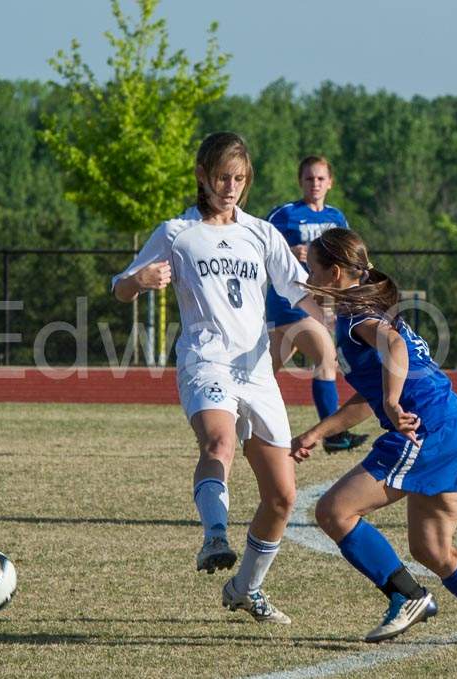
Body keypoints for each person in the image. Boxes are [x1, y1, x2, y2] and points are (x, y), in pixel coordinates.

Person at [112, 132, 327, 625]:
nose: (230, 188)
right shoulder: (176, 232)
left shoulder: (261, 233)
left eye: (239, 179)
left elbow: (301, 290)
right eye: (222, 178)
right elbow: (120, 287)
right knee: (218, 442)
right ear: (202, 178)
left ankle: (246, 588)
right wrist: (137, 282)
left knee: (283, 496)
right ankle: (214, 535)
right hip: (204, 362)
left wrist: (347, 302)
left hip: (256, 372)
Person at [291, 228, 457, 645]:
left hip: (427, 430)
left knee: (334, 512)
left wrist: (390, 401)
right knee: (432, 548)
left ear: (333, 273)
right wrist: (319, 430)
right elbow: (368, 397)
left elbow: (394, 351)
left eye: (310, 267)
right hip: (456, 424)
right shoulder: (370, 311)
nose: (305, 273)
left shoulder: (359, 318)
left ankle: (408, 596)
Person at [266, 156, 367, 453]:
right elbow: (259, 247)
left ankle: (230, 425)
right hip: (290, 303)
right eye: (309, 179)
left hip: (319, 304)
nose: (315, 184)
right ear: (301, 182)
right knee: (325, 357)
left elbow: (349, 261)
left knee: (259, 375)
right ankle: (333, 435)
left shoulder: (337, 218)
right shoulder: (284, 215)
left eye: (321, 178)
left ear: (330, 182)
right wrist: (288, 251)